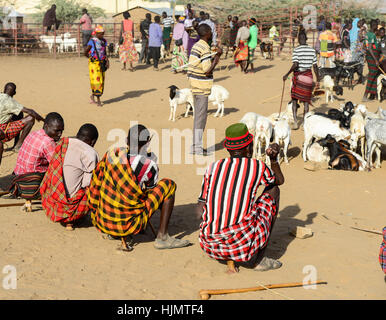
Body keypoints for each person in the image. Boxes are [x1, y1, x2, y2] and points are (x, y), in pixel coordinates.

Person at [87, 124, 190, 250]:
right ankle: (162, 237)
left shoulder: (112, 154)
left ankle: (112, 228)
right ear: (147, 142)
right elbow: (149, 192)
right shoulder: (149, 165)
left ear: (126, 140)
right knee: (168, 185)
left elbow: (96, 180)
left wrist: (94, 208)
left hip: (104, 220)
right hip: (129, 225)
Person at [198, 123, 284, 273]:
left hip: (209, 245)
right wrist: (274, 159)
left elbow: (199, 211)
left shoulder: (212, 167)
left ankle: (228, 252)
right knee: (273, 191)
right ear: (248, 147)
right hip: (241, 247)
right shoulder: (257, 166)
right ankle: (259, 261)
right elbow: (279, 180)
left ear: (228, 148)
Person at [41, 123, 99, 231]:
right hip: (71, 206)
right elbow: (88, 183)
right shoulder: (91, 153)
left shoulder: (64, 143)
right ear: (93, 141)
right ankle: (73, 218)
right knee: (97, 184)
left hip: (53, 201)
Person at [10, 112, 64, 200]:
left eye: (61, 131)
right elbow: (58, 166)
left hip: (18, 179)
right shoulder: (48, 142)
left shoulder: (34, 133)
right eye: (57, 130)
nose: (60, 134)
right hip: (31, 185)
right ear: (46, 126)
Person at [188, 24, 223, 155]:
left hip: (194, 85)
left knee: (198, 117)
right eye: (210, 31)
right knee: (200, 118)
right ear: (207, 33)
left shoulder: (197, 45)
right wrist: (218, 57)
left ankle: (195, 146)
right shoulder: (204, 48)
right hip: (201, 87)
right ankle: (196, 147)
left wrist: (213, 56)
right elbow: (207, 70)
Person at [0, 82, 44, 152]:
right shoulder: (10, 101)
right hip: (1, 132)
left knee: (19, 113)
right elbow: (30, 112)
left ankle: (15, 145)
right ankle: (18, 146)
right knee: (30, 118)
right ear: (14, 92)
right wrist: (44, 120)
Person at [283, 31, 320, 130]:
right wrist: (318, 80)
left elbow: (295, 64)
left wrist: (286, 74)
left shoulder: (296, 50)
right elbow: (315, 67)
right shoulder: (312, 50)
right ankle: (304, 123)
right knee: (306, 102)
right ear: (306, 39)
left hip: (298, 78)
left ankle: (295, 122)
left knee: (295, 101)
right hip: (308, 78)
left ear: (299, 39)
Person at [84, 25, 109, 107]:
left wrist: (107, 60)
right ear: (96, 33)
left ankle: (93, 95)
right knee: (96, 81)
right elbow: (85, 52)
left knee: (101, 81)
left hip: (101, 63)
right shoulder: (92, 41)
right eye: (100, 34)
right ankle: (98, 100)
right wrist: (92, 59)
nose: (102, 35)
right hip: (94, 64)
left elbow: (104, 51)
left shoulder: (103, 41)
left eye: (103, 33)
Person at [363, 20, 382, 101]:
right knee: (372, 75)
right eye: (376, 25)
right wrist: (376, 60)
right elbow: (370, 48)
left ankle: (372, 95)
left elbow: (365, 46)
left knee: (375, 74)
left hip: (370, 55)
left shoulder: (368, 34)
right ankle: (365, 95)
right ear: (373, 25)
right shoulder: (371, 35)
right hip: (372, 56)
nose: (377, 27)